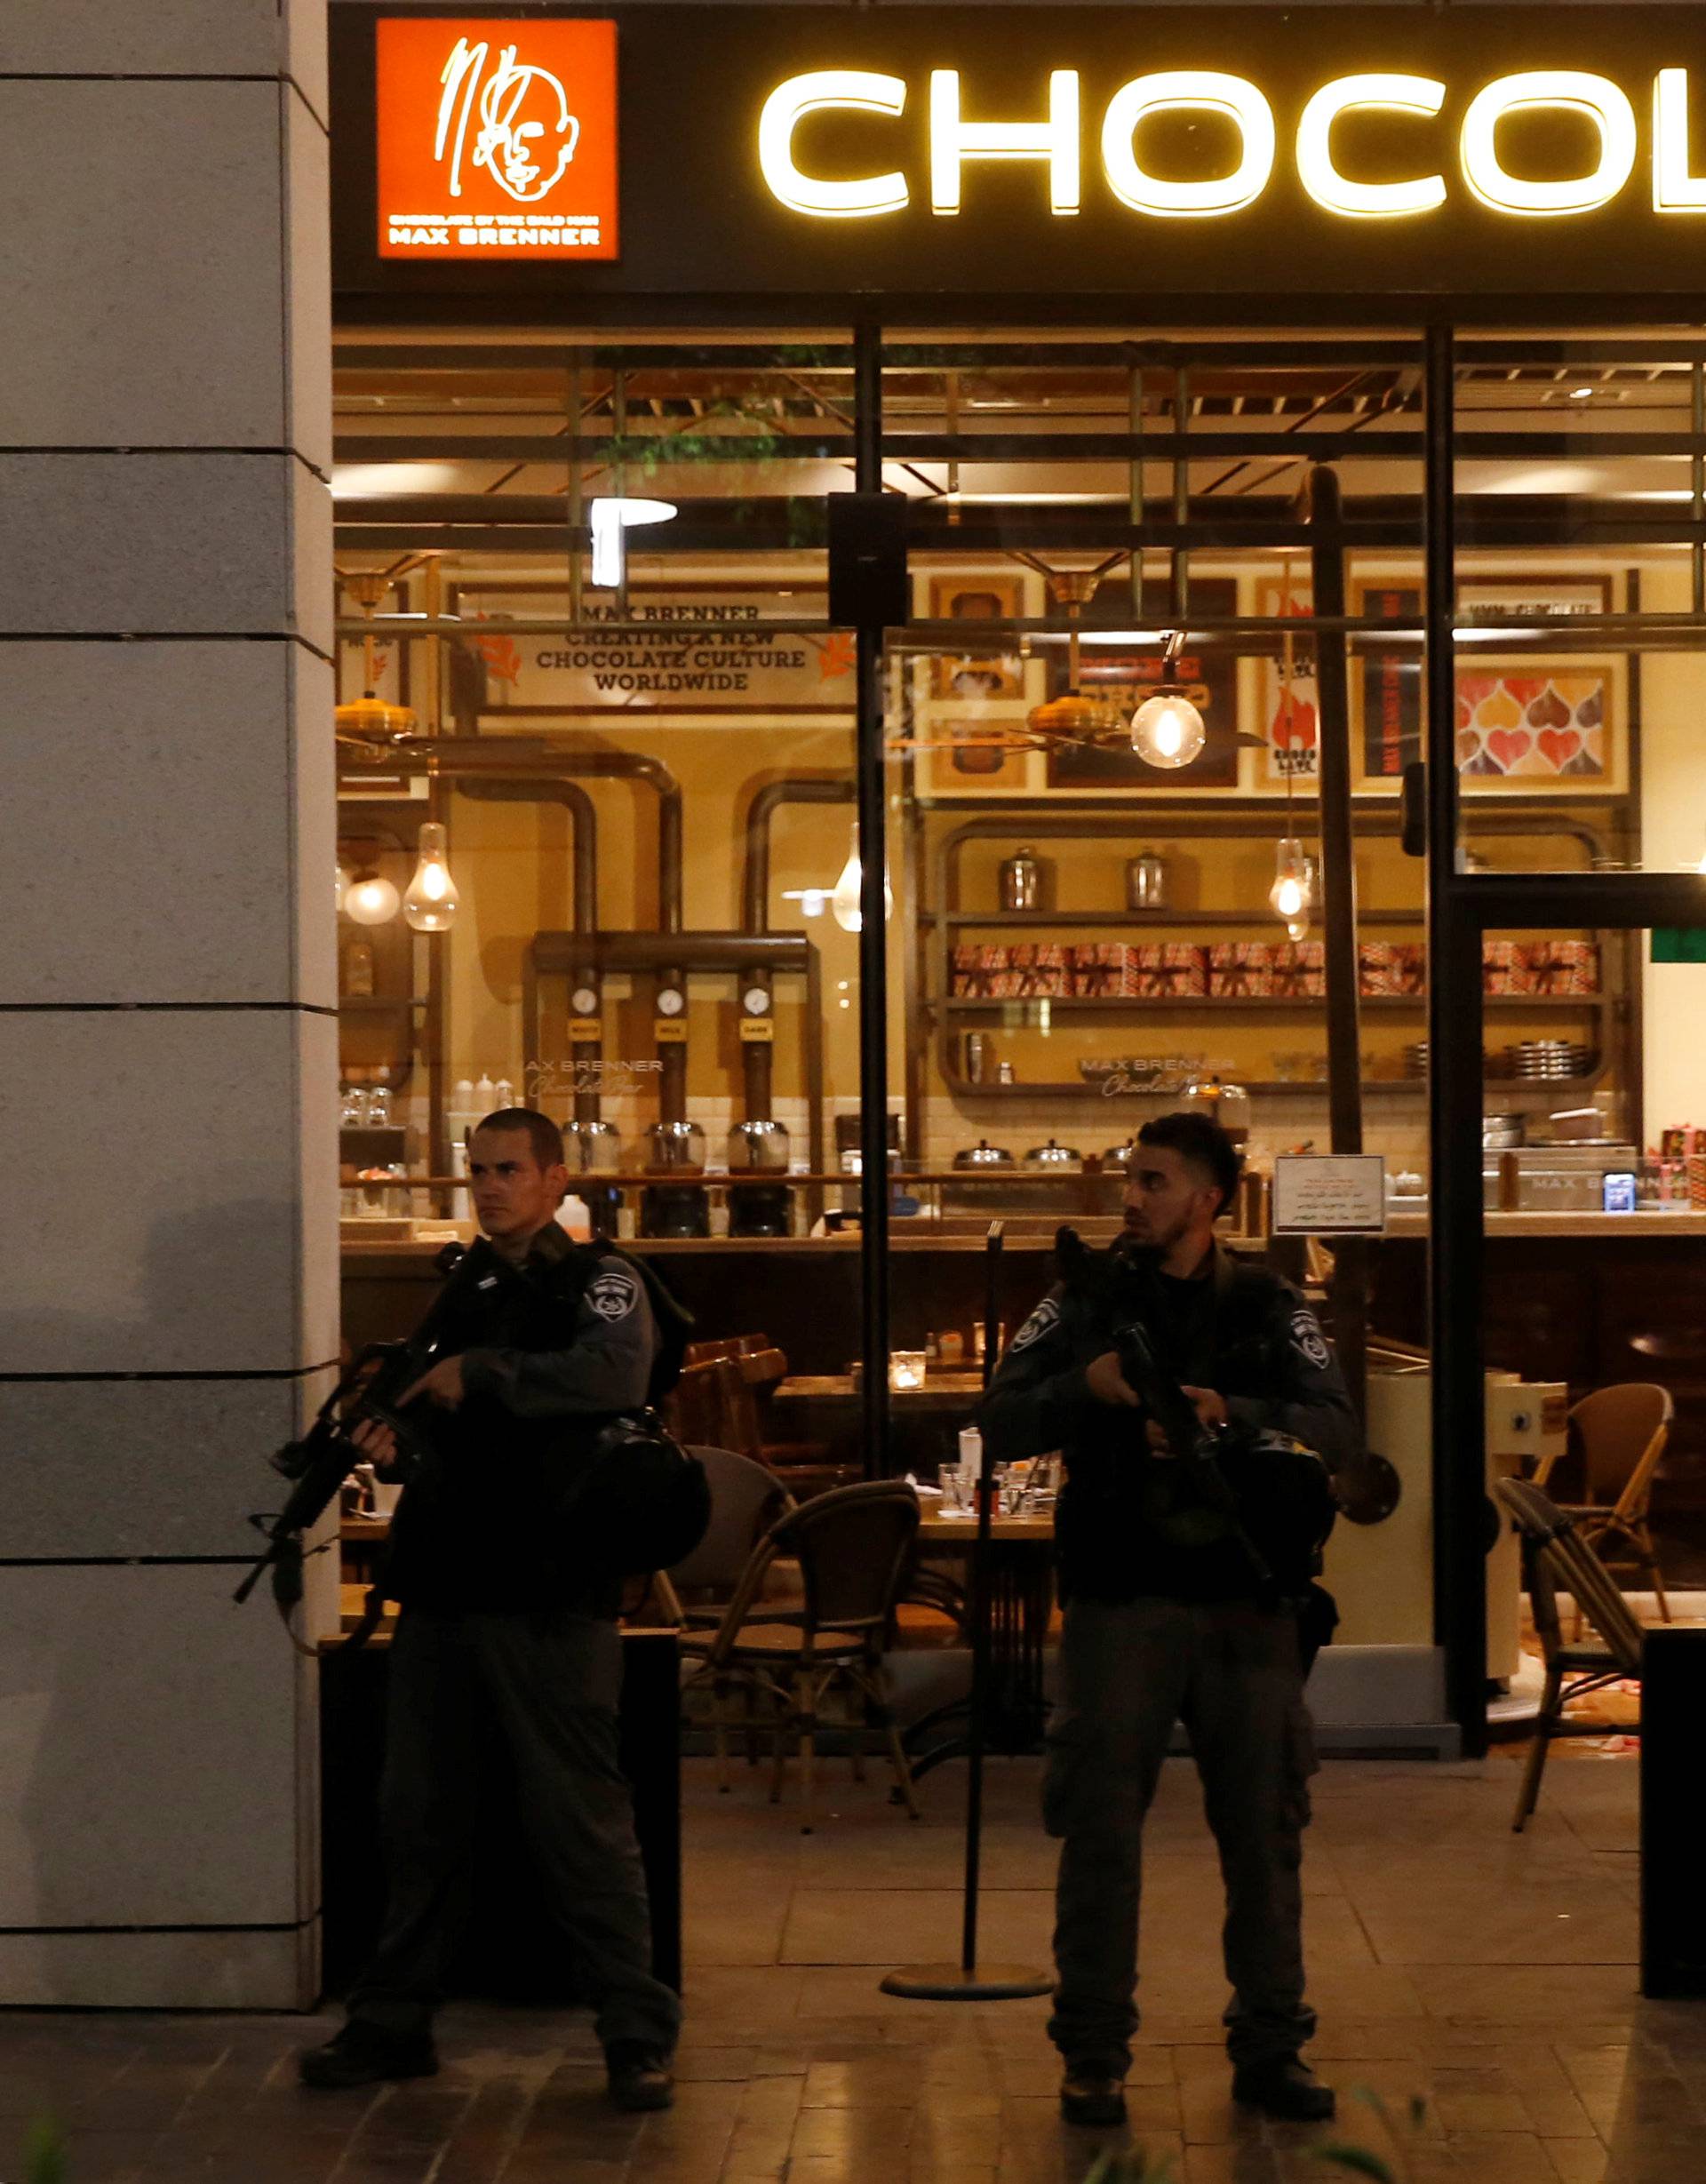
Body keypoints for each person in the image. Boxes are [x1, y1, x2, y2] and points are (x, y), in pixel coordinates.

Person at [978, 1111, 1359, 2130]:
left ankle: (1272, 2045)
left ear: (1207, 1198)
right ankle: (1094, 2053)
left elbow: (1336, 1422)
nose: (1131, 1197)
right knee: (1099, 1833)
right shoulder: (1085, 1302)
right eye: (1129, 1179)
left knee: (1265, 1833)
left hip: (1245, 1599)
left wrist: (1229, 1411)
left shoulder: (1269, 1304)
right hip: (1120, 1596)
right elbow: (1003, 1411)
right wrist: (1091, 1388)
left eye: (1152, 1181)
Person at [299, 1109, 682, 2109]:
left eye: (511, 1169)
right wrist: (393, 1429)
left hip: (550, 1589)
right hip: (447, 1582)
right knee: (419, 1815)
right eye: (480, 1170)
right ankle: (393, 2021)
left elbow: (614, 1371)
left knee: (582, 1825)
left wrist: (486, 1372)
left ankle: (635, 2033)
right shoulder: (462, 1287)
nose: (493, 1185)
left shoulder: (599, 1278)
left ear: (557, 1177)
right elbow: (425, 1413)